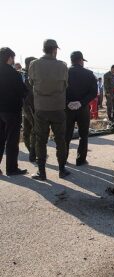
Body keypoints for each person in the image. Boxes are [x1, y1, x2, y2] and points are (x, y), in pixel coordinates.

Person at [29, 39, 70, 180]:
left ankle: (42, 172)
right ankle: (62, 170)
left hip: (41, 108)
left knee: (41, 140)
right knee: (60, 140)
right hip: (58, 108)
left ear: (44, 49)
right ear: (54, 50)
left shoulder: (33, 64)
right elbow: (66, 85)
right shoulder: (63, 66)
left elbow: (31, 82)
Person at [65, 51, 97, 166]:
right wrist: (81, 102)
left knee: (66, 135)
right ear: (80, 60)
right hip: (83, 109)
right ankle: (81, 160)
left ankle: (63, 159)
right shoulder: (89, 74)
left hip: (67, 109)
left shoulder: (64, 73)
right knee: (83, 135)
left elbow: (58, 90)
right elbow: (94, 92)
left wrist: (67, 102)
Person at [0, 47, 28, 176]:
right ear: (9, 58)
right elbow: (23, 91)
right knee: (12, 140)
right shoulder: (14, 74)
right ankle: (11, 168)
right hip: (12, 110)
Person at [22, 56, 37, 162]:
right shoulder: (25, 76)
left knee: (27, 131)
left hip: (26, 106)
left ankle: (32, 152)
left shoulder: (22, 75)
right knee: (34, 130)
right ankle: (33, 153)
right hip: (29, 107)